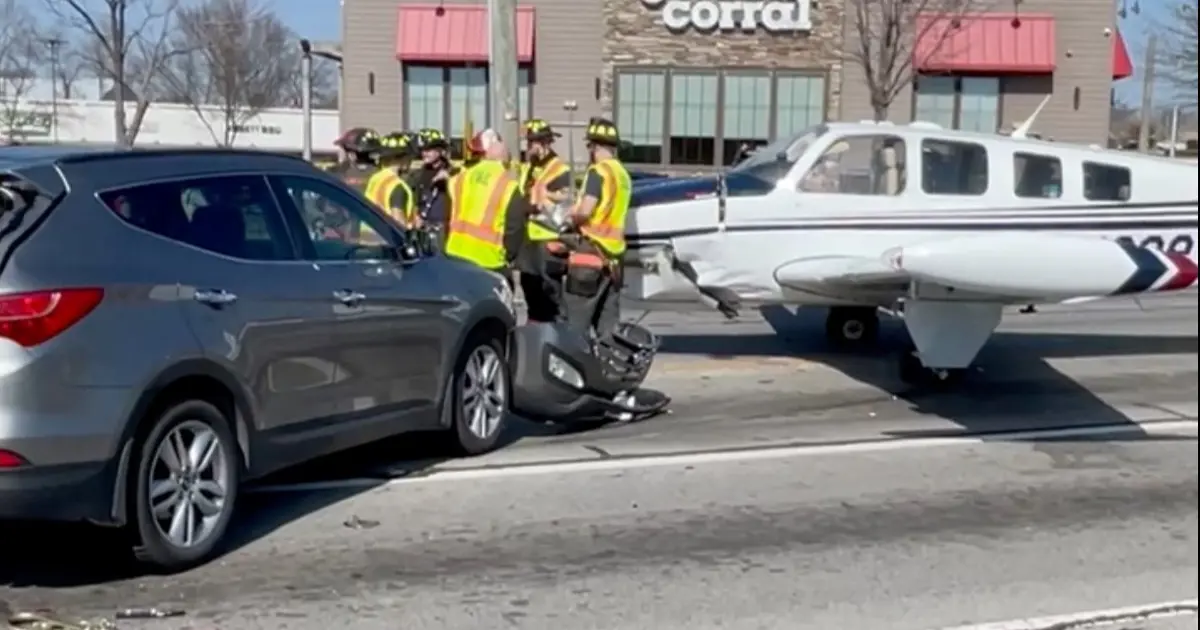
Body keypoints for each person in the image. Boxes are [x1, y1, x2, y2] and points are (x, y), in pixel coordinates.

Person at [562, 117, 632, 339]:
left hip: (590, 255)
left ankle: (576, 370)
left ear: (595, 146)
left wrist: (570, 217)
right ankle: (608, 370)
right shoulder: (623, 175)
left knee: (575, 324)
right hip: (615, 259)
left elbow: (587, 210)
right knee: (607, 327)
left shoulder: (598, 172)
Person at [443, 129, 529, 277]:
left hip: (455, 255)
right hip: (490, 262)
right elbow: (515, 227)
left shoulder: (458, 179)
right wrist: (509, 255)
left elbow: (447, 217)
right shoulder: (508, 184)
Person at [517, 119, 574, 323]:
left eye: (532, 142)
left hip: (549, 238)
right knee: (530, 289)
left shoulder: (559, 168)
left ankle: (560, 336)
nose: (528, 147)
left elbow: (563, 206)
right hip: (530, 237)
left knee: (551, 294)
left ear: (545, 143)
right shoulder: (529, 167)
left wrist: (538, 204)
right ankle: (535, 334)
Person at [366, 131, 420, 229]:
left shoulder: (374, 179)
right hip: (388, 240)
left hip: (368, 237)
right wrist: (411, 227)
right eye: (409, 157)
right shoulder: (397, 186)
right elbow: (397, 219)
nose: (410, 162)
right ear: (401, 158)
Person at [409, 128, 458, 228]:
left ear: (440, 151)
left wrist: (449, 180)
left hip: (446, 225)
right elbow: (416, 201)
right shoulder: (418, 174)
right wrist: (416, 218)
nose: (424, 154)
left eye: (428, 150)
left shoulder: (454, 172)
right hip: (425, 227)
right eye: (423, 150)